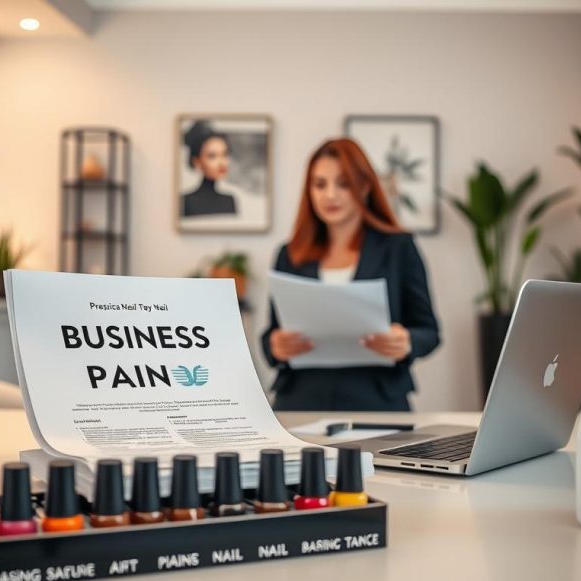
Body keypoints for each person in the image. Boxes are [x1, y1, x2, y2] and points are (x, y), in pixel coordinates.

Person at [261, 138, 440, 412]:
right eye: (319, 184)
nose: (330, 195)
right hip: (299, 401)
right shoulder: (290, 253)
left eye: (343, 183)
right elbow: (272, 333)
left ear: (365, 186)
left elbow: (429, 332)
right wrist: (275, 345)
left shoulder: (399, 248)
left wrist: (405, 341)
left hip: (378, 401)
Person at [181, 120, 237, 217]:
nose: (221, 163)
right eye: (212, 156)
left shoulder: (229, 200)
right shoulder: (187, 201)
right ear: (197, 162)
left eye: (224, 154)